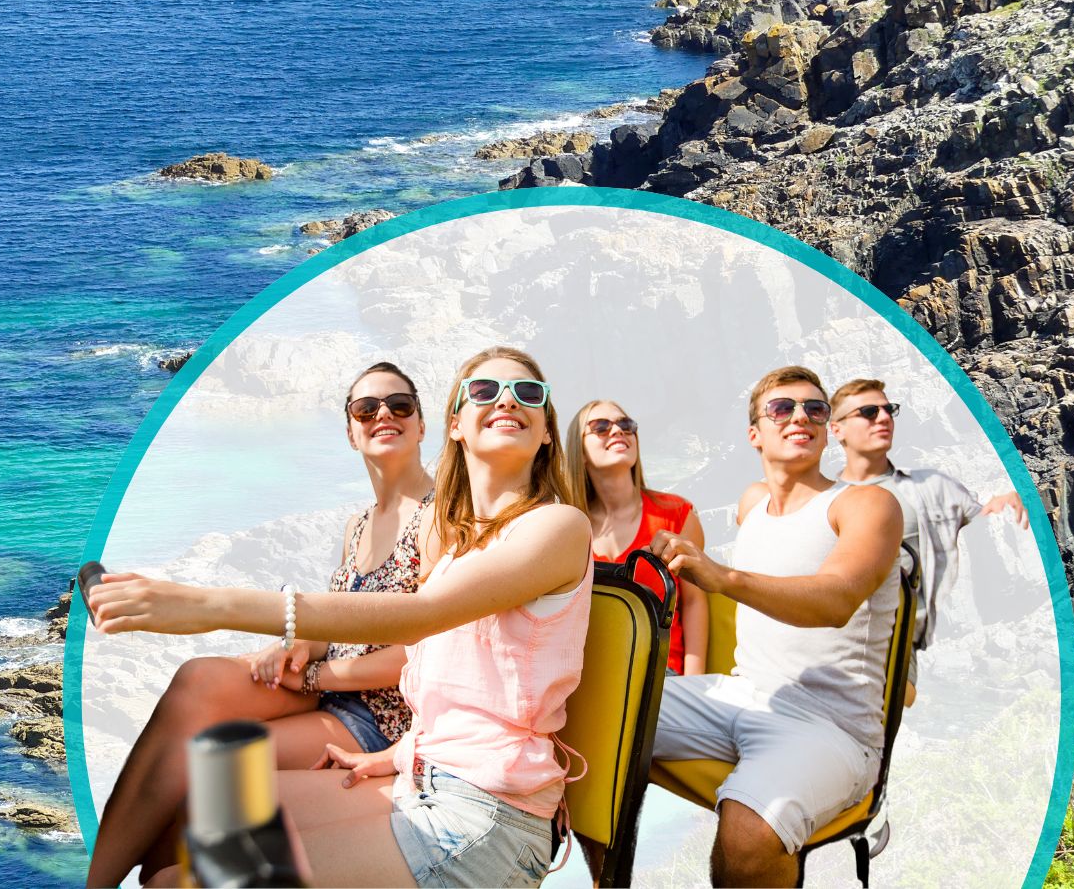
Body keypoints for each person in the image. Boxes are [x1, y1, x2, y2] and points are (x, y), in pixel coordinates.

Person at [92, 346, 593, 888]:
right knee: (208, 805)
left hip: (483, 818)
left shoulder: (557, 527)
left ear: (546, 431)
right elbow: (463, 687)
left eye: (528, 393)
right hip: (422, 777)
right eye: (484, 391)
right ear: (456, 425)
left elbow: (419, 618)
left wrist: (204, 605)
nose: (507, 401)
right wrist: (400, 752)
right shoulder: (461, 550)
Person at [85, 361, 437, 888]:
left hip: (378, 719)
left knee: (205, 771)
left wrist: (314, 678)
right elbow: (338, 615)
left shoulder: (439, 517)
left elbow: (427, 654)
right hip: (327, 694)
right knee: (199, 680)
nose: (383, 415)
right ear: (349, 431)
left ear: (421, 423)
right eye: (366, 408)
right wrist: (296, 645)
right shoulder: (358, 525)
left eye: (399, 405)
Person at [648, 365, 904, 887]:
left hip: (830, 727)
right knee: (577, 711)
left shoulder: (865, 504)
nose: (800, 418)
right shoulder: (751, 505)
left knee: (748, 838)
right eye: (782, 408)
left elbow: (836, 600)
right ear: (754, 434)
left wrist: (724, 577)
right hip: (743, 695)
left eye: (815, 409)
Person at [827, 377, 1030, 705]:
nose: (883, 418)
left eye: (888, 409)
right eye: (868, 411)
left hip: (886, 657)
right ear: (837, 429)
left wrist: (1014, 500)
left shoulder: (931, 487)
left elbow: (982, 515)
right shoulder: (822, 498)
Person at [566, 399, 709, 675]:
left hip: (662, 678)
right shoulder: (568, 528)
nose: (618, 431)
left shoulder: (678, 514)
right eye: (601, 427)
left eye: (626, 424)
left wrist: (695, 683)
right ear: (579, 450)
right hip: (589, 679)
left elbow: (693, 602)